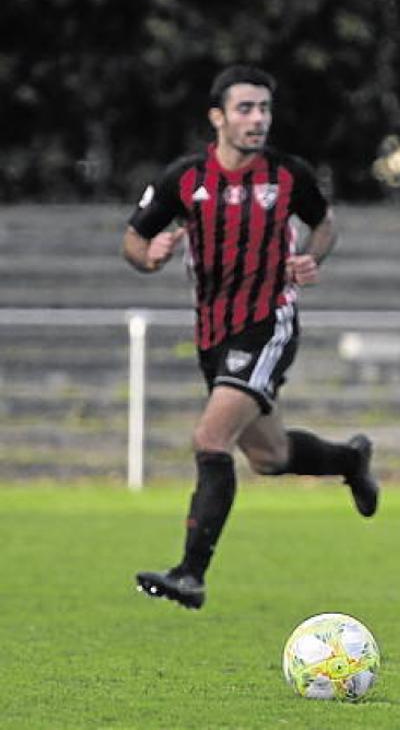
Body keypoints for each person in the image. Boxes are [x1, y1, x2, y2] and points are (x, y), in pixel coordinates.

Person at [124, 65, 379, 611]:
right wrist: (149, 257)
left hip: (267, 323)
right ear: (217, 117)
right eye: (245, 108)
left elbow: (326, 223)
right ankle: (351, 461)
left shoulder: (289, 175)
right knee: (269, 456)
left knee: (210, 440)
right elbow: (134, 237)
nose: (257, 119)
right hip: (212, 332)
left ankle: (190, 575)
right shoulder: (186, 178)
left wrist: (312, 255)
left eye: (264, 109)